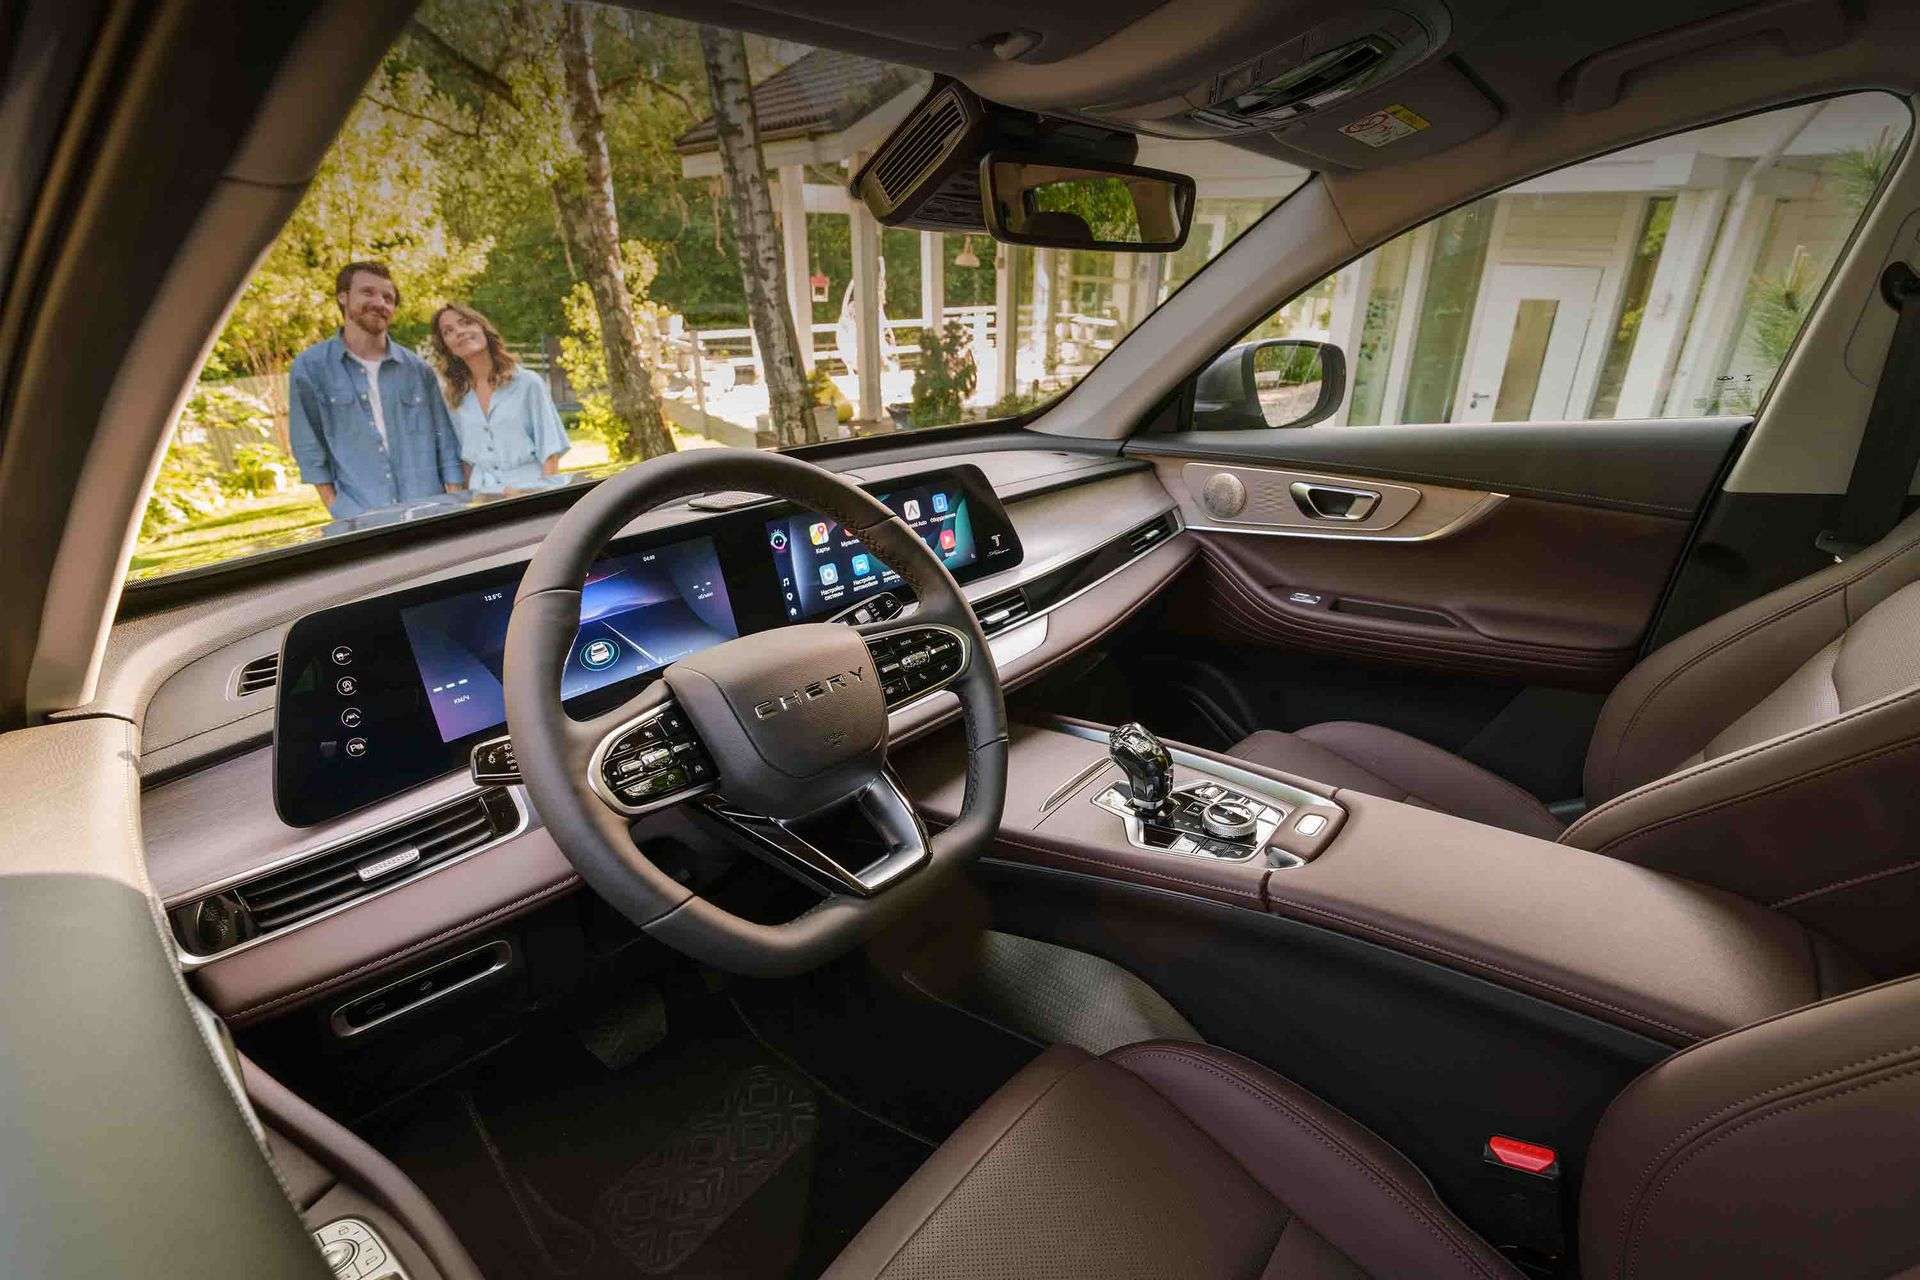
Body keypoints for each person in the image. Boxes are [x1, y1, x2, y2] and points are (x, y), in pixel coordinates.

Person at [287, 262, 465, 518]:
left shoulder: (418, 369)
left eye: (388, 298)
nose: (380, 302)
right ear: (343, 297)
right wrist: (336, 507)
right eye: (367, 292)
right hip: (360, 516)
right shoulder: (311, 367)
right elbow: (308, 445)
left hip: (429, 511)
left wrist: (453, 501)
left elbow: (445, 441)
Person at [429, 303, 571, 496]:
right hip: (481, 495)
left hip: (530, 490)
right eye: (448, 331)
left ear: (483, 329)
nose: (459, 332)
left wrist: (542, 496)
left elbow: (550, 452)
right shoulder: (454, 397)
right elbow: (466, 461)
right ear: (447, 347)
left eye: (466, 323)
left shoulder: (527, 383)